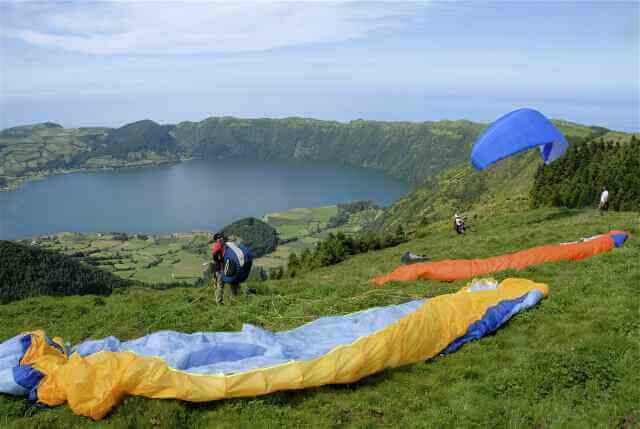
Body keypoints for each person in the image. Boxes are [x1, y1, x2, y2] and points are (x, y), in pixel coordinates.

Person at [210, 233, 253, 305]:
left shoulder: (226, 246)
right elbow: (215, 255)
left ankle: (232, 301)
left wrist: (219, 260)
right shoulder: (222, 246)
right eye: (218, 238)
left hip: (226, 269)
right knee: (223, 286)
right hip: (221, 270)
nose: (220, 239)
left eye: (220, 237)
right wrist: (220, 261)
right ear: (216, 240)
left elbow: (215, 255)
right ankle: (221, 302)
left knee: (229, 285)